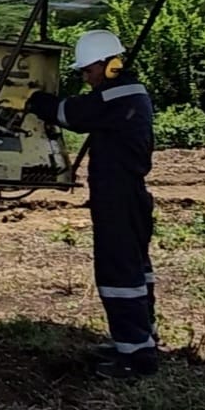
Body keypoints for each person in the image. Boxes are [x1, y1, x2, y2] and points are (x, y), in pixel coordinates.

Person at [26, 29, 157, 380]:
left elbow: (70, 114)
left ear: (108, 65)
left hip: (118, 196)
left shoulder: (118, 94)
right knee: (137, 268)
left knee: (119, 272)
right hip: (128, 194)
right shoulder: (125, 92)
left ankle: (134, 357)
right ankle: (140, 339)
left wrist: (32, 99)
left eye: (88, 70)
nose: (85, 77)